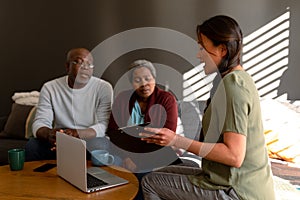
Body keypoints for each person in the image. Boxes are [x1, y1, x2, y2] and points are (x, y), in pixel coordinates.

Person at [140, 15, 275, 200]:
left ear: (222, 50)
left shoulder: (233, 87)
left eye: (203, 47)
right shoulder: (234, 80)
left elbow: (234, 156)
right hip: (226, 179)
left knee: (150, 182)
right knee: (174, 168)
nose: (198, 54)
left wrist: (176, 140)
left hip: (239, 191)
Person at [107, 59, 182, 200]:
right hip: (125, 153)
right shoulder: (122, 98)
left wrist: (138, 162)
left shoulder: (166, 99)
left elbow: (167, 137)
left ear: (154, 79)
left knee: (141, 181)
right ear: (131, 83)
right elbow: (113, 132)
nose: (144, 84)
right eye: (137, 80)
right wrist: (127, 158)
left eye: (148, 78)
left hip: (157, 153)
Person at [25, 47, 113, 161]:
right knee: (32, 147)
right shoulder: (50, 88)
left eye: (89, 64)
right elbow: (40, 122)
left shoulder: (103, 87)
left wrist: (77, 134)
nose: (85, 67)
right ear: (68, 67)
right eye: (79, 62)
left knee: (101, 146)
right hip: (61, 136)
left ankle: (91, 178)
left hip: (89, 137)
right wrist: (50, 134)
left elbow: (103, 125)